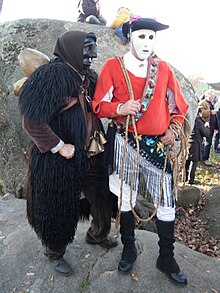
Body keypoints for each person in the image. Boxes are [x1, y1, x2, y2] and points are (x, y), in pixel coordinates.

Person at [92, 18, 189, 285]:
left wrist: (173, 128)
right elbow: (99, 104)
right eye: (141, 36)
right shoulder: (113, 67)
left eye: (151, 37)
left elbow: (179, 107)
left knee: (167, 201)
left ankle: (166, 257)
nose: (147, 42)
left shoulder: (164, 70)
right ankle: (129, 248)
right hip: (124, 141)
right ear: (130, 37)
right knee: (125, 198)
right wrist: (120, 109)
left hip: (157, 144)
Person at [18, 30, 118, 277]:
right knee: (57, 205)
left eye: (92, 50)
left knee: (103, 198)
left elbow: (103, 105)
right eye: (86, 50)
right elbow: (31, 121)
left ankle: (98, 234)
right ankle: (54, 252)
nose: (91, 56)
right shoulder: (50, 77)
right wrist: (59, 146)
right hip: (57, 159)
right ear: (72, 48)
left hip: (92, 153)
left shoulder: (90, 78)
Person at [185, 108, 210, 184]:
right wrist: (206, 127)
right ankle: (190, 180)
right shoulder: (198, 122)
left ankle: (184, 177)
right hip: (196, 144)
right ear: (199, 113)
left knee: (187, 160)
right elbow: (206, 133)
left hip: (188, 142)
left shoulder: (188, 119)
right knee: (194, 161)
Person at [198, 89, 218, 165]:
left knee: (208, 143)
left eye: (212, 97)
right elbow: (200, 113)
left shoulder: (211, 103)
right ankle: (204, 158)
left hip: (211, 127)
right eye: (210, 96)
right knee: (206, 142)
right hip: (205, 126)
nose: (212, 98)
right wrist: (210, 112)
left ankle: (204, 157)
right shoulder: (202, 103)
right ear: (206, 95)